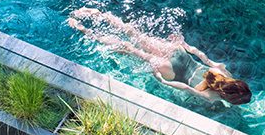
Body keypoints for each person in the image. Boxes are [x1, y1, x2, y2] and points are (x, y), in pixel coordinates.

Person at [68, 7, 252, 105]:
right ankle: (84, 30)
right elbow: (185, 88)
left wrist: (185, 45)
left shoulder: (223, 71)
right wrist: (164, 82)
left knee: (134, 33)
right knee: (128, 48)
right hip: (171, 71)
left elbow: (202, 56)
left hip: (180, 55)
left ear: (236, 82)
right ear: (229, 99)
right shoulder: (212, 98)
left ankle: (98, 14)